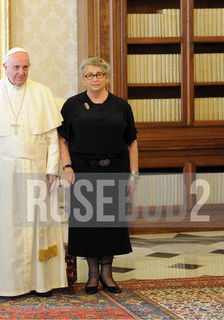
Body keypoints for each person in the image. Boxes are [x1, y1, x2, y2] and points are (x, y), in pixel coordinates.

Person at [0, 47, 67, 297]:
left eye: (25, 67)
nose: (21, 72)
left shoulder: (42, 93)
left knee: (38, 226)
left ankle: (41, 282)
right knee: (6, 229)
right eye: (16, 67)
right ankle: (6, 284)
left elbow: (51, 138)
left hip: (36, 172)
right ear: (4, 67)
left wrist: (51, 170)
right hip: (3, 175)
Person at [58, 57, 139, 294]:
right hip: (82, 171)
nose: (95, 79)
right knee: (88, 224)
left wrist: (134, 175)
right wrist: (67, 167)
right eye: (90, 75)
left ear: (107, 77)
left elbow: (132, 141)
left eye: (100, 74)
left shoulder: (121, 106)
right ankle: (93, 275)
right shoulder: (72, 105)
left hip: (115, 170)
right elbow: (62, 139)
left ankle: (107, 274)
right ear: (83, 79)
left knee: (111, 224)